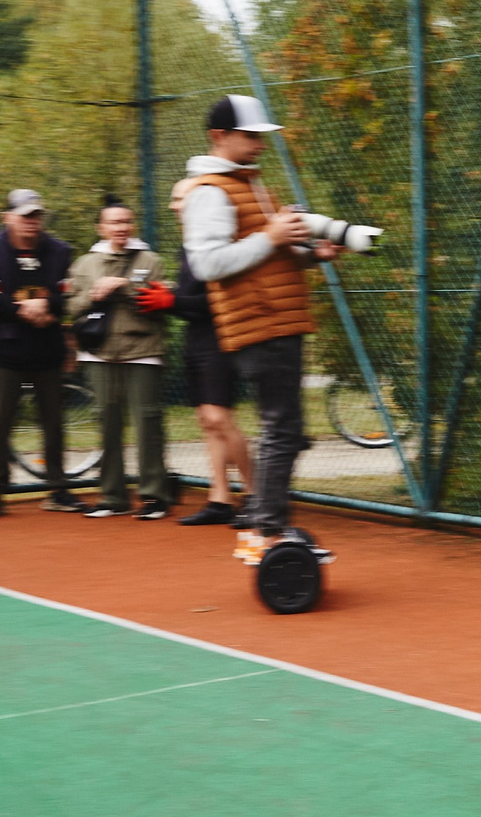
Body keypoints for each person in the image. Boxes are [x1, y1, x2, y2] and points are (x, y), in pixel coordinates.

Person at [177, 94, 341, 562]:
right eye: (250, 136)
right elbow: (208, 264)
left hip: (276, 319)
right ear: (219, 137)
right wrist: (270, 235)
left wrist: (311, 254)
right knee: (281, 428)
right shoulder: (210, 191)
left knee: (285, 428)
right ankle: (266, 532)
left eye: (260, 136)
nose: (259, 145)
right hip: (260, 323)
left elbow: (262, 258)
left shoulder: (246, 184)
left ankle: (265, 530)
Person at [0, 187, 88, 519]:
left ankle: (58, 489)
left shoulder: (59, 251)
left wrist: (48, 306)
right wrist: (23, 309)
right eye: (25, 216)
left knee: (54, 425)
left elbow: (71, 293)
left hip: (48, 351)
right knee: (0, 426)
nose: (32, 223)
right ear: (8, 218)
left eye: (36, 216)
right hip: (7, 354)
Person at [69, 198, 178, 518]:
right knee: (108, 423)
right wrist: (92, 295)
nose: (121, 227)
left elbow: (161, 301)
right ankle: (112, 498)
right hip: (98, 353)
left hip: (142, 351)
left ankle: (154, 497)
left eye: (126, 222)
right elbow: (71, 307)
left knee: (148, 423)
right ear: (101, 228)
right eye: (114, 222)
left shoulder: (151, 260)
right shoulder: (84, 264)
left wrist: (124, 285)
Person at [165, 173, 256, 527]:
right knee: (207, 420)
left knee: (220, 417)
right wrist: (169, 299)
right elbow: (190, 300)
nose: (175, 206)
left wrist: (171, 300)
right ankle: (220, 498)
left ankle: (256, 495)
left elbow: (218, 301)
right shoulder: (188, 244)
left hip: (222, 337)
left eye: (181, 199)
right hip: (196, 338)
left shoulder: (219, 243)